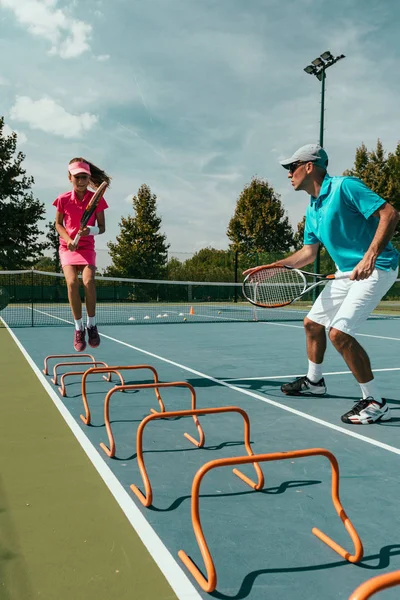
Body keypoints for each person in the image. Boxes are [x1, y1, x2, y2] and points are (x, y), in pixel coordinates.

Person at [246, 144, 399, 425]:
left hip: (378, 267)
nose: (288, 173)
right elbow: (308, 253)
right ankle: (315, 383)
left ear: (309, 166)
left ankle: (376, 401)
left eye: (292, 167)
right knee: (312, 324)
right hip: (346, 272)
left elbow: (390, 214)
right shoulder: (313, 209)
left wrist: (370, 255)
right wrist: (273, 268)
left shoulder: (345, 187)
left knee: (339, 333)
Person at [54, 158, 111, 352]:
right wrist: (68, 239)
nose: (80, 180)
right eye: (77, 177)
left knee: (88, 282)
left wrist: (90, 231)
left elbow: (102, 228)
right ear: (70, 177)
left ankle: (91, 325)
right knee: (71, 283)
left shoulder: (97, 199)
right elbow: (58, 224)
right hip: (68, 247)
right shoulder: (62, 199)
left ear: (88, 178)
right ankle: (78, 329)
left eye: (84, 177)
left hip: (87, 248)